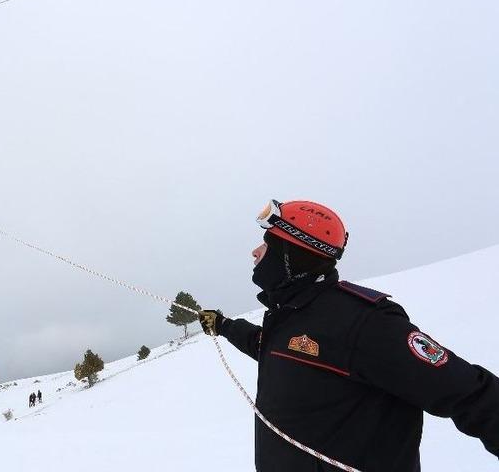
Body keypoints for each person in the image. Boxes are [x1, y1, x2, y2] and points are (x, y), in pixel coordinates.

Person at [198, 199, 499, 471]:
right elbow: (267, 346)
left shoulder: (364, 322)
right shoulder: (290, 316)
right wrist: (223, 326)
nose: (255, 252)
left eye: (267, 244)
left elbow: (472, 394)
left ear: (291, 256)